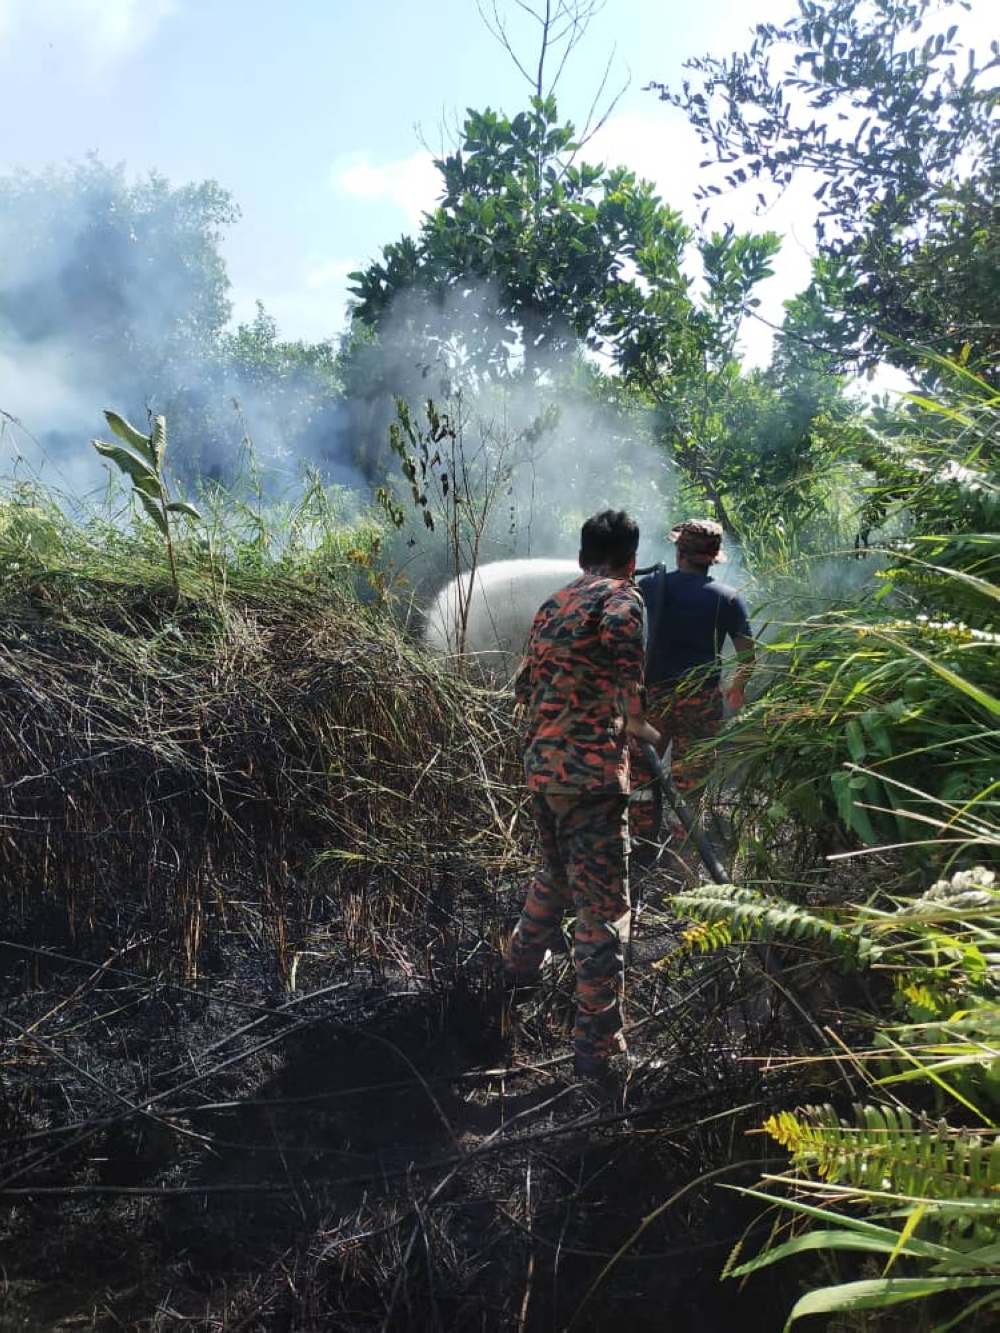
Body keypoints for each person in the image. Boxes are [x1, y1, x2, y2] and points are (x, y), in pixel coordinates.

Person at [502, 509, 660, 1091]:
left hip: (542, 769)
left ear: (579, 557)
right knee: (603, 909)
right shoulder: (623, 598)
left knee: (557, 874)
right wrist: (636, 718)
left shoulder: (553, 604)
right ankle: (598, 1048)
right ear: (631, 560)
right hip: (590, 777)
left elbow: (524, 688)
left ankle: (517, 967)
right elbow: (622, 633)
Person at [630, 518, 755, 855]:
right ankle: (684, 852)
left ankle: (642, 844)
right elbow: (748, 657)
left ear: (680, 552)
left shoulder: (652, 587)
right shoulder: (728, 599)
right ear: (713, 558)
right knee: (691, 779)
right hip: (701, 702)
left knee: (642, 771)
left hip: (654, 697)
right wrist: (736, 688)